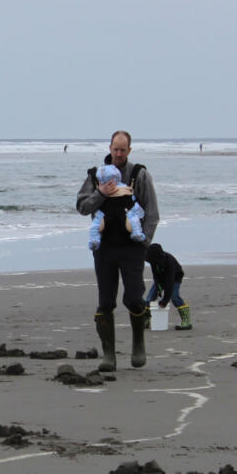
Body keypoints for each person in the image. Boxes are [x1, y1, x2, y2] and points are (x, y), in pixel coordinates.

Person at [75, 131, 159, 371]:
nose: (119, 154)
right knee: (105, 302)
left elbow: (152, 213)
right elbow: (82, 207)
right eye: (115, 149)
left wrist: (144, 242)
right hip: (104, 248)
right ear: (110, 148)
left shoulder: (139, 174)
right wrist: (101, 193)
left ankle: (138, 345)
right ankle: (108, 355)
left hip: (132, 248)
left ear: (129, 150)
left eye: (123, 150)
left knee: (134, 297)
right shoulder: (95, 176)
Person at [87, 164, 145, 251]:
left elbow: (92, 208)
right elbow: (134, 204)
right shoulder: (126, 190)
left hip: (104, 216)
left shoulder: (100, 189)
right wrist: (139, 212)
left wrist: (100, 193)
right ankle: (137, 233)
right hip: (126, 215)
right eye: (116, 149)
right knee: (133, 219)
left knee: (96, 225)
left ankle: (94, 240)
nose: (118, 153)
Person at [145, 242, 192, 330]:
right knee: (150, 297)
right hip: (161, 278)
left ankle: (186, 321)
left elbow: (170, 283)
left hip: (175, 277)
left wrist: (165, 300)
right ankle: (146, 319)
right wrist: (159, 288)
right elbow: (155, 276)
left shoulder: (169, 261)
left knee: (174, 296)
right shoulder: (152, 259)